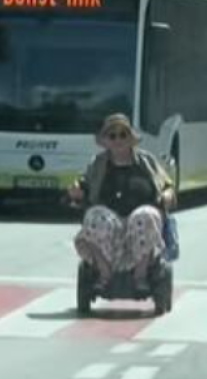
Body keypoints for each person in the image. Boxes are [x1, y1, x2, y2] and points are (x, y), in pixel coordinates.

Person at [67, 114, 176, 291]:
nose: (118, 140)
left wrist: (167, 194)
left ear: (130, 138)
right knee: (94, 216)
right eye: (112, 136)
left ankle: (140, 276)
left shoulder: (146, 161)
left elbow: (167, 184)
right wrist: (76, 191)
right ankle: (104, 273)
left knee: (145, 215)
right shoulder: (98, 163)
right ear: (106, 141)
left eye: (123, 135)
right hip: (110, 224)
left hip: (140, 224)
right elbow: (83, 184)